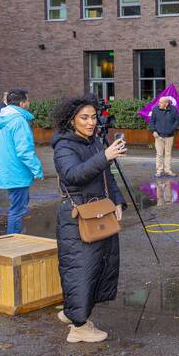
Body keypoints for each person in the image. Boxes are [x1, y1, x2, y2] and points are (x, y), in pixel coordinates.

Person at [52, 95, 127, 343]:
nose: (90, 122)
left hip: (99, 211)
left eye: (93, 117)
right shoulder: (64, 146)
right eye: (84, 117)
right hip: (77, 217)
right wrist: (104, 155)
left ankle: (72, 310)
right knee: (80, 269)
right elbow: (73, 175)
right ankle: (79, 326)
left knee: (96, 266)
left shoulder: (93, 142)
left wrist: (117, 200)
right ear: (71, 120)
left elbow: (107, 177)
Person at [0, 88, 43, 234]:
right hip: (17, 172)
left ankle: (13, 237)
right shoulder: (19, 121)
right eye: (27, 100)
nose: (29, 103)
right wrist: (37, 170)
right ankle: (13, 241)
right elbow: (24, 151)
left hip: (4, 170)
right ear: (22, 103)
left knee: (15, 206)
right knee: (17, 210)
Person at [148, 96, 179, 177]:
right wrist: (154, 131)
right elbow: (151, 122)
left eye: (161, 102)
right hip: (158, 136)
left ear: (166, 103)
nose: (159, 104)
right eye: (159, 102)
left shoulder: (173, 109)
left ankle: (168, 170)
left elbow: (177, 120)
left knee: (168, 153)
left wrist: (172, 129)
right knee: (159, 154)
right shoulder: (155, 109)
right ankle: (159, 171)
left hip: (170, 136)